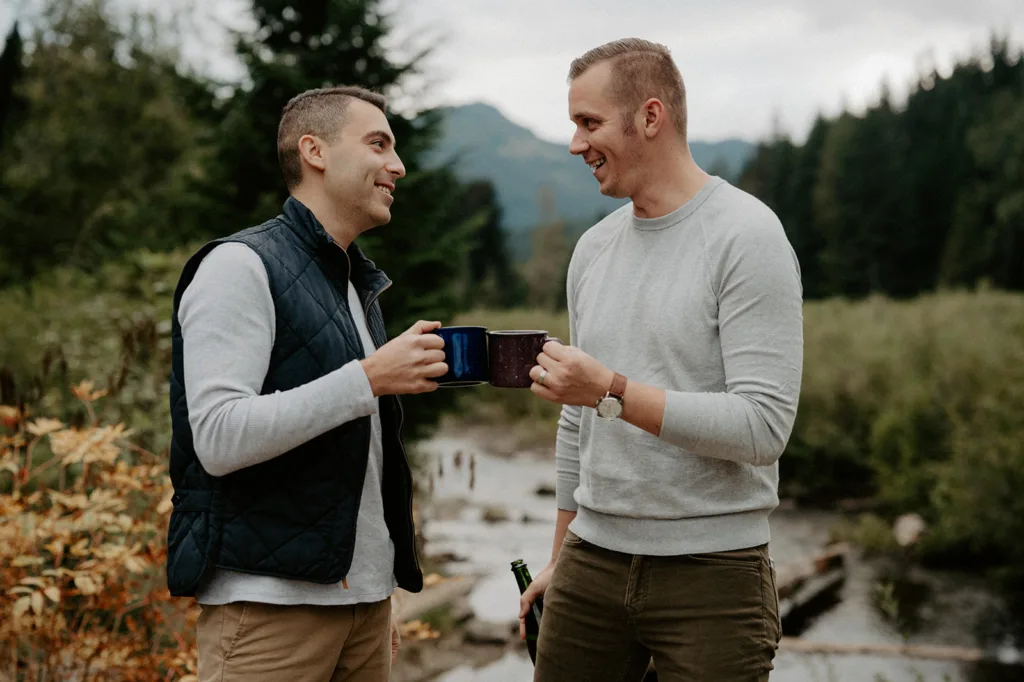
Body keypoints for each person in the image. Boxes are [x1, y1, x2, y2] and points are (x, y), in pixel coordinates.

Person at [518, 38, 804, 682]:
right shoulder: (591, 251)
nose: (574, 144)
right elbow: (575, 424)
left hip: (715, 579)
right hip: (589, 566)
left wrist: (611, 389)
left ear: (651, 117)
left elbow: (762, 428)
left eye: (589, 124)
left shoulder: (747, 236)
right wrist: (560, 559)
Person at [165, 85, 448, 682]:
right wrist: (369, 377)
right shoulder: (239, 266)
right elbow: (217, 437)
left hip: (361, 609)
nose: (398, 166)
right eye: (379, 144)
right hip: (268, 614)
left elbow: (356, 460)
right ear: (314, 150)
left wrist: (374, 590)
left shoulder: (352, 282)